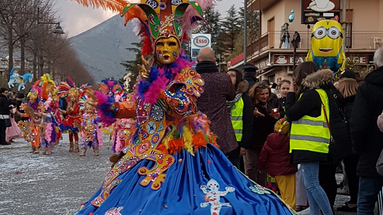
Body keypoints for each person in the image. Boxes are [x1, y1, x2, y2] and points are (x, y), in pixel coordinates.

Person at [71, 1, 294, 214]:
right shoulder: (148, 75)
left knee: (193, 201)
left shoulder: (188, 75)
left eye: (171, 44)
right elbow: (140, 107)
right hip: (148, 146)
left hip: (184, 149)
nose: (166, 48)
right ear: (153, 47)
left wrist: (159, 90)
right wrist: (110, 106)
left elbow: (182, 107)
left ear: (179, 46)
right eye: (161, 44)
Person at [286, 62, 333, 215]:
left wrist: (290, 94)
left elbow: (291, 114)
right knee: (309, 184)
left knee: (312, 184)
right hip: (313, 143)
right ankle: (314, 213)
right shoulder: (319, 93)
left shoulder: (310, 95)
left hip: (309, 144)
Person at [350, 47, 383, 215]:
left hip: (371, 154)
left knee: (365, 203)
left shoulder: (367, 88)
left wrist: (359, 149)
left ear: (375, 65)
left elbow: (358, 124)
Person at [196, 47, 241, 167]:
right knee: (230, 172)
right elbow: (231, 96)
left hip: (198, 133)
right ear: (214, 60)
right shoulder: (224, 78)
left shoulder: (192, 80)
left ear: (197, 60)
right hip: (224, 135)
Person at [257, 118, 297, 210]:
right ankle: (289, 210)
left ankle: (274, 209)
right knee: (288, 193)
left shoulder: (269, 140)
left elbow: (263, 156)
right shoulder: (290, 141)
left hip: (273, 172)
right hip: (288, 171)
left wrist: (260, 167)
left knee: (273, 192)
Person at [334, 70, 359, 212]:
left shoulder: (348, 106)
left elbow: (350, 126)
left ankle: (354, 201)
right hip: (356, 146)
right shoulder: (358, 101)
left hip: (350, 146)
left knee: (352, 173)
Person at [246, 82, 280, 185]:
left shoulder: (272, 102)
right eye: (262, 94)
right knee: (251, 166)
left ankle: (262, 188)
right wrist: (252, 115)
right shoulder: (250, 104)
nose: (265, 96)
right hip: (252, 140)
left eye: (266, 94)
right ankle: (250, 187)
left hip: (266, 140)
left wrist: (277, 117)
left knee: (263, 166)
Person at [226, 69, 254, 171]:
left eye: (232, 75)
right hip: (221, 140)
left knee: (235, 171)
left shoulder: (244, 98)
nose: (229, 77)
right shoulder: (221, 96)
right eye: (227, 75)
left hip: (236, 142)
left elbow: (248, 122)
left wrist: (244, 145)